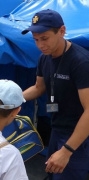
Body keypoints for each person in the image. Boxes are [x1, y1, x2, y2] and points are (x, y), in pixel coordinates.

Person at [22, 9, 89, 180]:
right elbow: (38, 88)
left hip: (78, 137)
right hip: (57, 129)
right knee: (52, 174)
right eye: (35, 40)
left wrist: (67, 151)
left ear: (62, 31)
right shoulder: (44, 58)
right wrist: (10, 98)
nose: (40, 45)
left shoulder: (80, 61)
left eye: (44, 38)